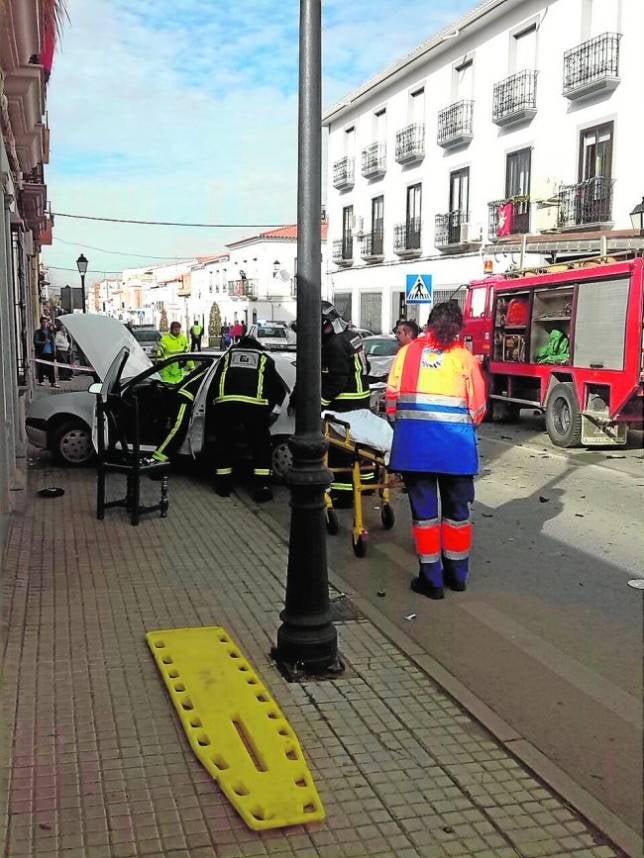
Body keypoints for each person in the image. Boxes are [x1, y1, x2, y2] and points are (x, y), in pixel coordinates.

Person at [386, 301, 486, 599]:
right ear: (458, 328)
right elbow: (478, 408)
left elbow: (392, 402)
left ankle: (431, 580)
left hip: (416, 451)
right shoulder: (464, 359)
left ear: (428, 324)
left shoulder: (407, 354)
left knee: (425, 517)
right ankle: (457, 576)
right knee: (457, 515)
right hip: (456, 452)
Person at [209, 334, 288, 502]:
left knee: (224, 444)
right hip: (255, 407)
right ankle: (262, 488)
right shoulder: (264, 359)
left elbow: (214, 384)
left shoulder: (226, 357)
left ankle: (223, 486)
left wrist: (214, 408)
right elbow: (279, 388)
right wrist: (274, 409)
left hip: (226, 405)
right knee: (260, 446)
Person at [319, 301, 371, 505]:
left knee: (340, 448)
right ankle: (366, 481)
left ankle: (343, 494)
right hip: (361, 397)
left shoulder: (334, 344)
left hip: (345, 402)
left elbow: (337, 379)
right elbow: (366, 365)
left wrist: (321, 403)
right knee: (360, 444)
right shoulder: (353, 336)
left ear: (327, 324)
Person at [149, 362, 210, 464]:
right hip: (186, 395)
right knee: (179, 426)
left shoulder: (216, 365)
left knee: (178, 426)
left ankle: (161, 457)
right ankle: (159, 458)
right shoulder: (223, 364)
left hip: (188, 394)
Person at [33, 316, 56, 386]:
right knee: (41, 367)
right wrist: (44, 342)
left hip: (50, 352)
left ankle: (52, 382)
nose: (45, 323)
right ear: (41, 323)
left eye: (46, 322)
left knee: (51, 367)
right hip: (42, 352)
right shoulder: (38, 332)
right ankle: (41, 380)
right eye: (43, 322)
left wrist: (54, 350)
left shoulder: (50, 332)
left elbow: (53, 341)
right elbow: (36, 341)